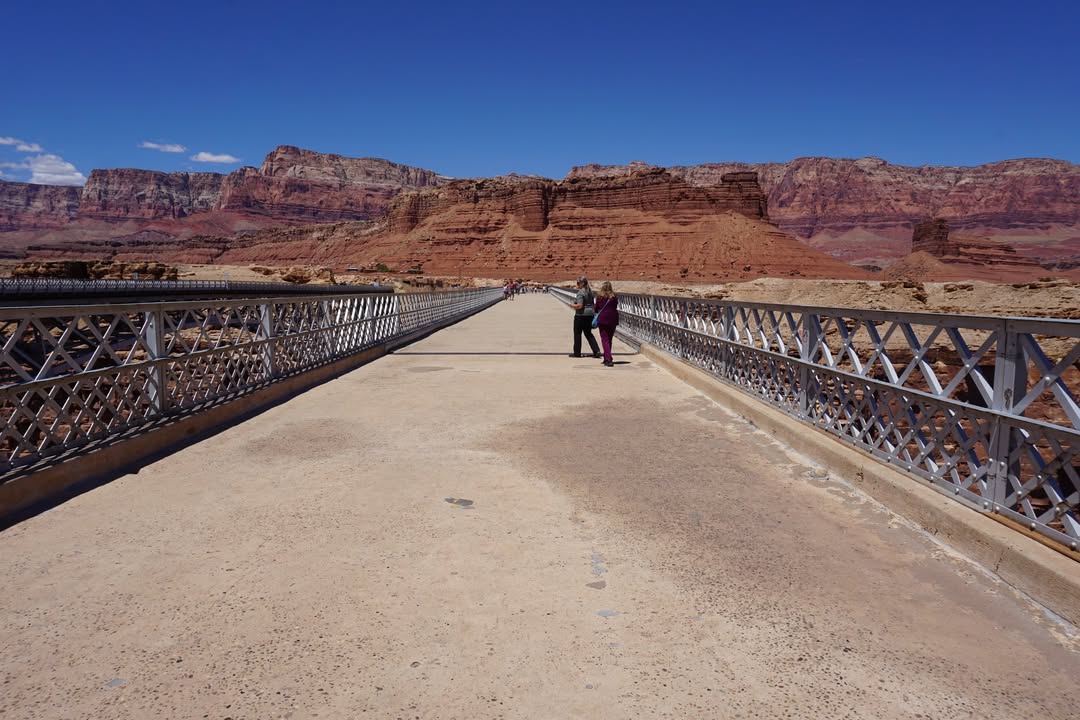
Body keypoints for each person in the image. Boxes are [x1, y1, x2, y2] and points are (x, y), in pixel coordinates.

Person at [569, 276, 601, 358]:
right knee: (588, 333)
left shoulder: (580, 292)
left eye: (578, 283)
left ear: (582, 283)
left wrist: (572, 305)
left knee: (577, 334)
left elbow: (580, 306)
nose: (577, 285)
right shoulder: (590, 292)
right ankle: (596, 350)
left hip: (581, 315)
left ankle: (577, 353)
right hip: (590, 314)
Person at [594, 281, 620, 366]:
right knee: (609, 339)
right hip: (613, 319)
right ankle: (606, 357)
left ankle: (608, 359)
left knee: (605, 339)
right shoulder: (614, 297)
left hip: (603, 319)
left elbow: (596, 308)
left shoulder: (600, 297)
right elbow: (615, 306)